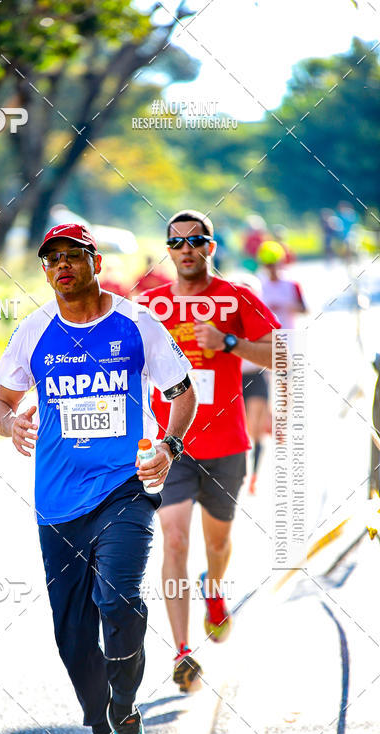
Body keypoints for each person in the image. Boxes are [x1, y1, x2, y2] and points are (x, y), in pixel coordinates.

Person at [0, 223, 196, 734]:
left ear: (94, 262)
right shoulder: (34, 332)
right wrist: (11, 423)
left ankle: (126, 713)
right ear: (45, 270)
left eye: (73, 256)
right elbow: (0, 403)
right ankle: (102, 730)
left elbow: (183, 393)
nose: (62, 266)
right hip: (57, 499)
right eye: (51, 258)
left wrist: (171, 446)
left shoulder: (135, 323)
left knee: (119, 598)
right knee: (72, 631)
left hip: (126, 487)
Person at [137, 210, 280, 693]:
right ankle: (182, 652)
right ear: (168, 249)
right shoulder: (150, 305)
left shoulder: (237, 298)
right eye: (176, 242)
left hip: (226, 447)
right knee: (174, 540)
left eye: (195, 240)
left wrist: (230, 342)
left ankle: (214, 588)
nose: (186, 249)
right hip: (172, 446)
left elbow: (281, 354)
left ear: (210, 246)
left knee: (217, 544)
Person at [241, 241, 307, 494]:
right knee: (266, 386)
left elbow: (304, 307)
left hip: (286, 343)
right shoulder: (257, 283)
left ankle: (281, 422)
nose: (271, 268)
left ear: (280, 262)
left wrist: (286, 307)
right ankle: (268, 420)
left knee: (285, 386)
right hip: (261, 352)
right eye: (267, 264)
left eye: (274, 263)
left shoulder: (292, 284)